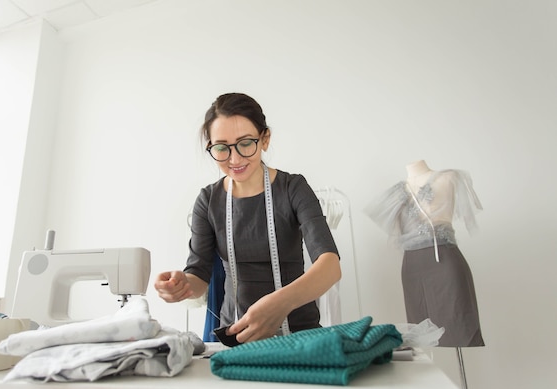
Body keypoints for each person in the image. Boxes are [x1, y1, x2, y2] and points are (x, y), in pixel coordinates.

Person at [154, 93, 341, 344]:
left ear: (265, 139)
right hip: (236, 339)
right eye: (221, 147)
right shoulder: (208, 201)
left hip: (299, 337)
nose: (235, 159)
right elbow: (198, 277)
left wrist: (279, 305)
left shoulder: (293, 188)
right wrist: (180, 285)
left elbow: (330, 266)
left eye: (245, 143)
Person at [365, 160, 485, 347]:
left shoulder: (448, 177)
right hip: (412, 268)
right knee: (420, 336)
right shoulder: (394, 194)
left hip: (445, 262)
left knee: (457, 324)